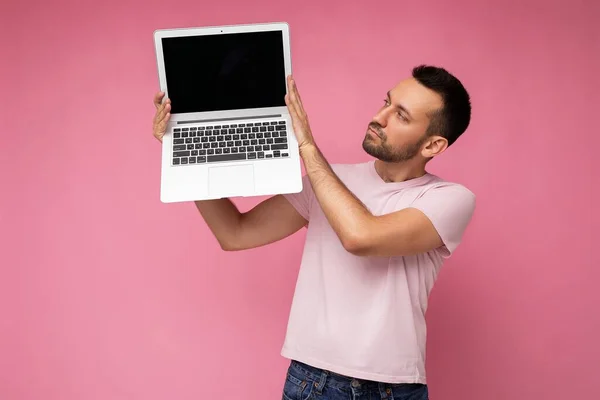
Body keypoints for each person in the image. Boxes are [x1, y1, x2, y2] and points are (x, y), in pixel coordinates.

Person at [152, 65, 476, 400]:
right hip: (311, 382)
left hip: (394, 389)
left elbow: (361, 237)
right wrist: (181, 153)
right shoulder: (328, 181)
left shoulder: (450, 200)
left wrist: (306, 144)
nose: (379, 117)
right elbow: (235, 233)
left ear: (433, 145)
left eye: (401, 116)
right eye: (386, 103)